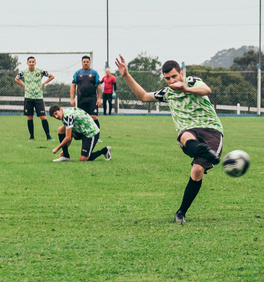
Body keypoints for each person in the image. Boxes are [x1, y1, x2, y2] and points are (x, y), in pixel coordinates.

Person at [115, 55, 225, 224]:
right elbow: (143, 96)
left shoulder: (192, 81)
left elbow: (207, 90)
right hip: (189, 132)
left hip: (211, 130)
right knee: (184, 135)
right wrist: (126, 76)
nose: (171, 81)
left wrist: (186, 89)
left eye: (174, 76)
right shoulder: (167, 93)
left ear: (181, 73)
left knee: (196, 171)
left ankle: (181, 211)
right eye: (167, 78)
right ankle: (202, 151)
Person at [14, 56, 55, 140]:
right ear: (27, 63)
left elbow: (51, 76)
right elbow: (16, 79)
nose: (31, 63)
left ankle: (48, 136)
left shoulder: (40, 71)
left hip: (38, 97)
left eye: (33, 62)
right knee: (29, 117)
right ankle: (31, 137)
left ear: (35, 63)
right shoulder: (24, 72)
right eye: (30, 62)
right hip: (28, 97)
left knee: (43, 117)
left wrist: (43, 83)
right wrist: (24, 85)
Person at [70, 56, 102, 131]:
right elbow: (73, 86)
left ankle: (97, 136)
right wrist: (72, 99)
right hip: (81, 99)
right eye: (84, 62)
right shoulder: (77, 73)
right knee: (82, 118)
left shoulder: (94, 73)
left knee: (94, 117)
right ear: (82, 63)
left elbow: (99, 86)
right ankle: (84, 135)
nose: (86, 63)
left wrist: (99, 98)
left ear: (90, 63)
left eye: (87, 62)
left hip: (92, 98)